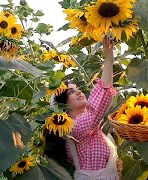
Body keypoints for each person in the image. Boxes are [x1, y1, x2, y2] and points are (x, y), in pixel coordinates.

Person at [50, 35, 119, 179]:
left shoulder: (91, 127)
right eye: (71, 92)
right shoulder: (76, 127)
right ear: (63, 105)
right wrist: (108, 61)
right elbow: (98, 105)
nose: (79, 91)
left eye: (77, 88)